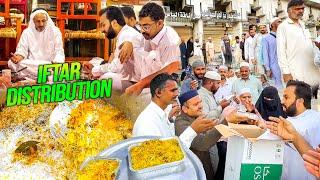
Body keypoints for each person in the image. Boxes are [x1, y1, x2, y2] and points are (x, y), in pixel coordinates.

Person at [132, 73, 217, 148]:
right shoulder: (148, 122)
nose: (177, 94)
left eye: (177, 90)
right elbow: (163, 158)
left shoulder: (161, 115)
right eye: (173, 90)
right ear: (158, 92)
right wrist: (193, 130)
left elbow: (170, 145)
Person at [124, 2, 182, 95]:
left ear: (159, 23)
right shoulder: (148, 33)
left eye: (146, 26)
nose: (142, 30)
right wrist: (128, 42)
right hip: (144, 83)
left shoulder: (170, 41)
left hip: (162, 90)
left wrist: (141, 84)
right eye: (140, 25)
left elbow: (170, 69)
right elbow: (137, 39)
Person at [271, 80, 320, 180]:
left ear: (300, 101)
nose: (282, 101)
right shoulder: (288, 121)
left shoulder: (315, 121)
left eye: (286, 97)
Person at [92, 6, 143, 91]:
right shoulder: (124, 33)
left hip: (138, 82)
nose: (102, 30)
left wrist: (94, 70)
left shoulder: (126, 35)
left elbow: (116, 68)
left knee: (106, 79)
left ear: (114, 23)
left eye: (103, 25)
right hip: (132, 79)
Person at [175, 90, 222, 180]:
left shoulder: (197, 116)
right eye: (196, 104)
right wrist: (225, 123)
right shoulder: (180, 123)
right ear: (185, 109)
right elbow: (202, 144)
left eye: (200, 102)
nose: (200, 106)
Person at [8, 8, 65, 79]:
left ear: (47, 20)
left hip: (50, 63)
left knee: (58, 67)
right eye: (38, 21)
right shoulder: (27, 32)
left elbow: (59, 50)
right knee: (11, 63)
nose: (41, 24)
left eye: (43, 21)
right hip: (32, 63)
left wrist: (57, 61)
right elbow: (22, 50)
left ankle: (32, 75)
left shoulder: (55, 31)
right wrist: (18, 57)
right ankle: (45, 75)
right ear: (33, 21)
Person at [277, 0, 320, 85]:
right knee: (296, 96)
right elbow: (280, 51)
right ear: (289, 11)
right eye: (297, 9)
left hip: (310, 69)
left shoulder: (304, 24)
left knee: (309, 96)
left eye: (302, 8)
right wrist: (286, 72)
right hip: (294, 71)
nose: (301, 11)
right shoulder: (283, 27)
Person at [262, 17, 283, 89]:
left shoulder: (282, 37)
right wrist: (268, 69)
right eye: (279, 22)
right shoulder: (266, 39)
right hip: (273, 68)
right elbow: (265, 55)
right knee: (276, 89)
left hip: (284, 68)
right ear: (272, 25)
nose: (281, 23)